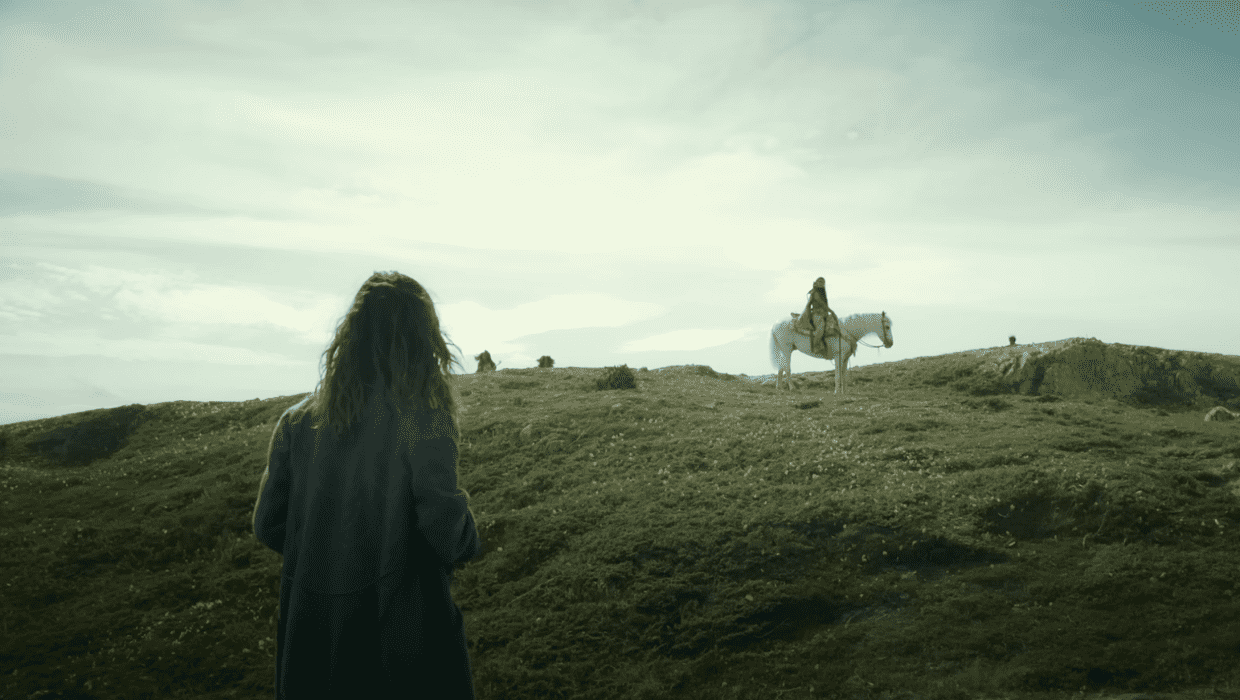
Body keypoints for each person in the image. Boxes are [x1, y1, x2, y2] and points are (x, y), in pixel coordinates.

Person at [252, 271, 481, 699]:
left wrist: (327, 560)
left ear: (350, 338)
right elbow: (447, 531)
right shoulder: (424, 419)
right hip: (401, 638)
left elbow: (267, 525)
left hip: (312, 636)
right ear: (423, 340)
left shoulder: (297, 423)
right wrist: (469, 539)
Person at [793, 277, 839, 356]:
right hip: (817, 314)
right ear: (816, 283)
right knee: (820, 328)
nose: (821, 283)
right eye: (820, 282)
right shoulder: (815, 292)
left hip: (824, 314)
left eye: (823, 282)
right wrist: (831, 311)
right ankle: (816, 346)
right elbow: (822, 304)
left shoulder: (822, 292)